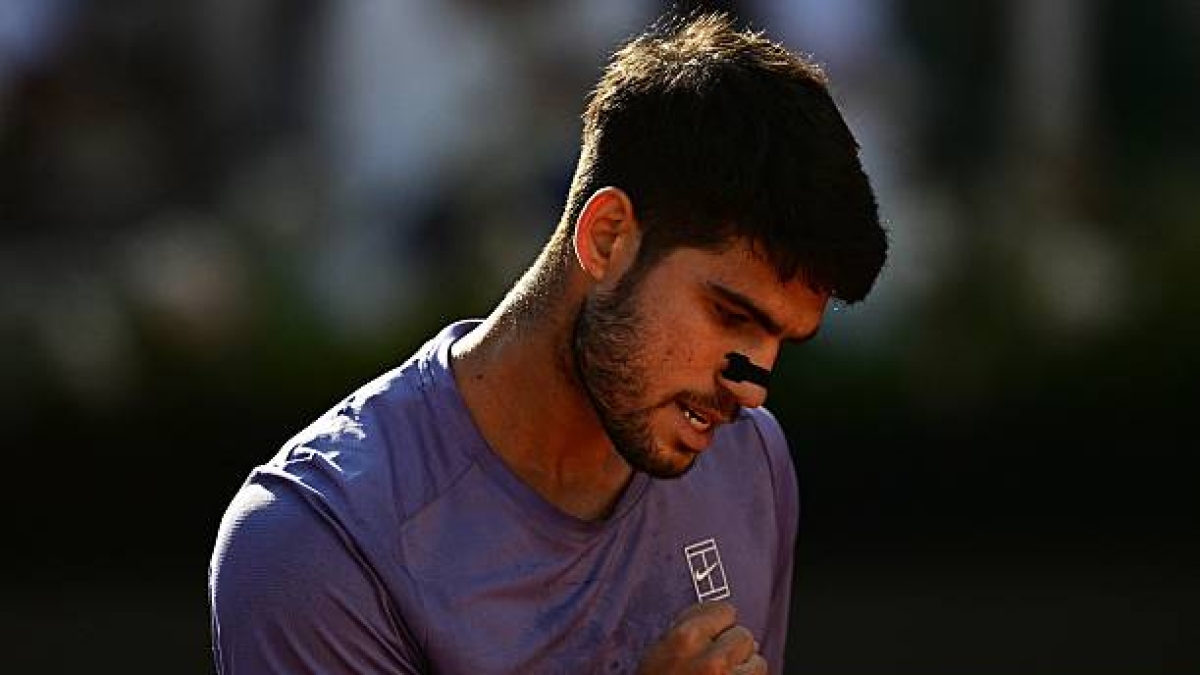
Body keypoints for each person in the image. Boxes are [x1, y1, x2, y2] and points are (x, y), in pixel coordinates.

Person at [208, 13, 886, 675]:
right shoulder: (315, 546)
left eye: (782, 339)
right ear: (608, 237)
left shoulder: (752, 463)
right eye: (729, 314)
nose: (751, 384)